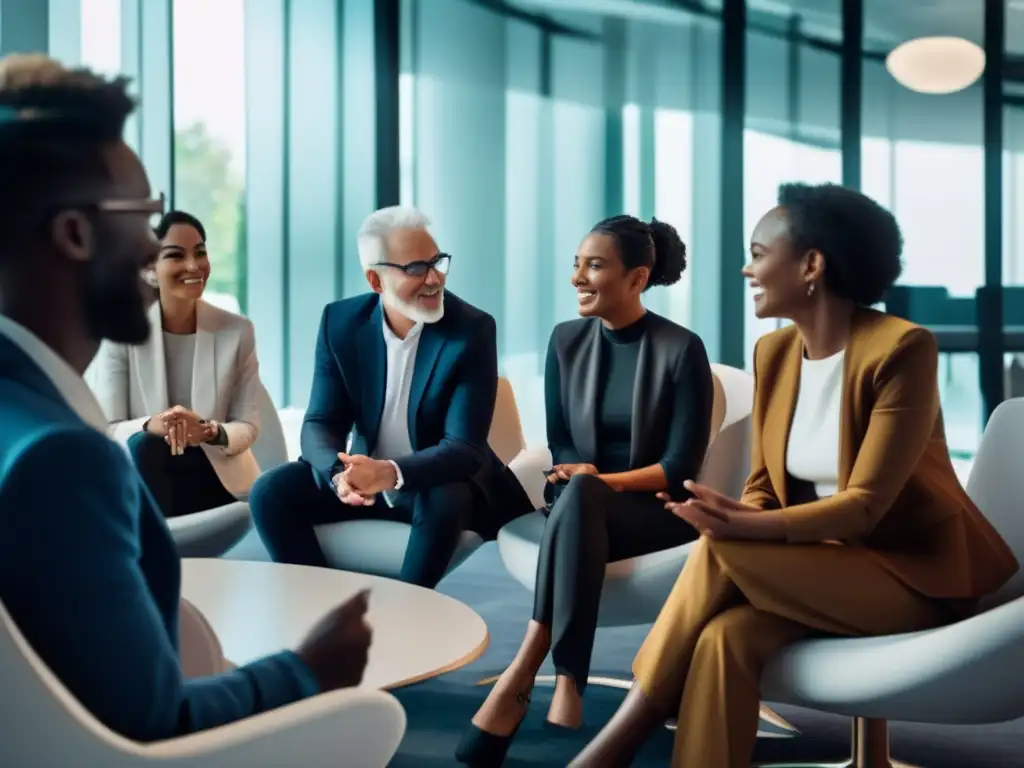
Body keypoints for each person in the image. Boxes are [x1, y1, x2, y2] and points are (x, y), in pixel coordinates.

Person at [569, 183, 1020, 768]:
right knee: (725, 638)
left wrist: (745, 528)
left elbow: (865, 506)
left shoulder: (902, 349)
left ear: (811, 265)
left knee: (718, 553)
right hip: (814, 566)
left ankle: (616, 742)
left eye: (758, 253)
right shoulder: (774, 354)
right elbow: (763, 485)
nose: (745, 267)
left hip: (913, 580)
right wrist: (735, 512)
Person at [0, 54, 373, 743]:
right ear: (76, 233)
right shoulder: (61, 462)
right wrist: (309, 669)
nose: (158, 249)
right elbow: (154, 726)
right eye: (144, 218)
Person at [456, 215, 715, 765]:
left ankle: (530, 663)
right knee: (577, 497)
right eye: (576, 263)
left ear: (637, 278)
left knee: (583, 496)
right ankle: (563, 674)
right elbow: (563, 441)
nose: (578, 277)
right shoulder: (565, 340)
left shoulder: (681, 349)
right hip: (578, 504)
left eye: (594, 265)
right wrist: (580, 477)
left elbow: (678, 467)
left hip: (654, 511)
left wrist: (599, 480)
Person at [249, 205, 533, 589]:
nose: (434, 278)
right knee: (270, 490)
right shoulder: (341, 322)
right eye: (416, 268)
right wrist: (339, 476)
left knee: (445, 495)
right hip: (364, 481)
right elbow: (321, 422)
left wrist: (389, 473)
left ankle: (408, 611)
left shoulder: (471, 330)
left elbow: (464, 448)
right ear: (376, 281)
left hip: (436, 483)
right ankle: (319, 608)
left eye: (437, 262)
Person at [87, 210, 263, 518]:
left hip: (216, 477)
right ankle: (161, 552)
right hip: (147, 470)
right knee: (146, 446)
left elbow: (248, 425)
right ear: (151, 269)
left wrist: (209, 431)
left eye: (200, 253)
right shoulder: (121, 334)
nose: (193, 266)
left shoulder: (237, 331)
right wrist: (151, 424)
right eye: (175, 255)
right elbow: (106, 427)